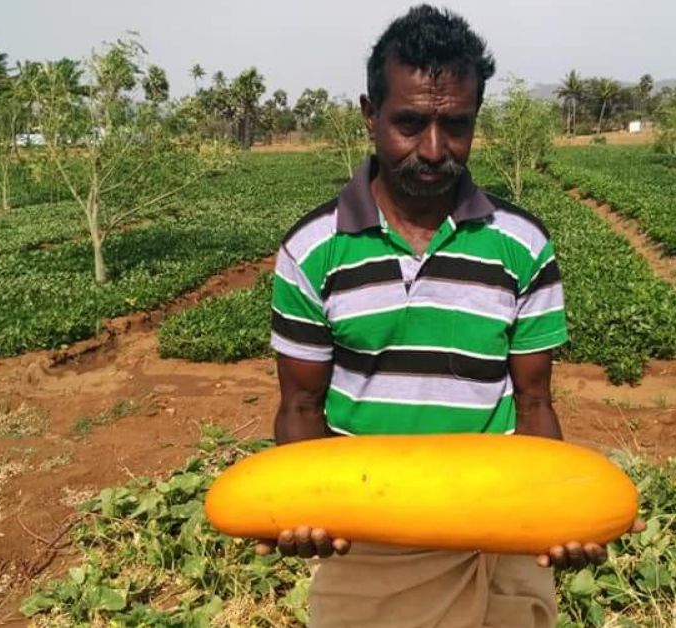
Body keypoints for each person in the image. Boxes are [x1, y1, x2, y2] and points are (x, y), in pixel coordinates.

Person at [259, 5, 642, 627]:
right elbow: (300, 408)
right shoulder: (312, 250)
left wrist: (555, 514)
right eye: (409, 123)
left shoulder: (521, 245)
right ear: (369, 115)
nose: (434, 150)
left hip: (497, 527)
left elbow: (535, 400)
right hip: (371, 538)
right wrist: (302, 508)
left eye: (455, 125)